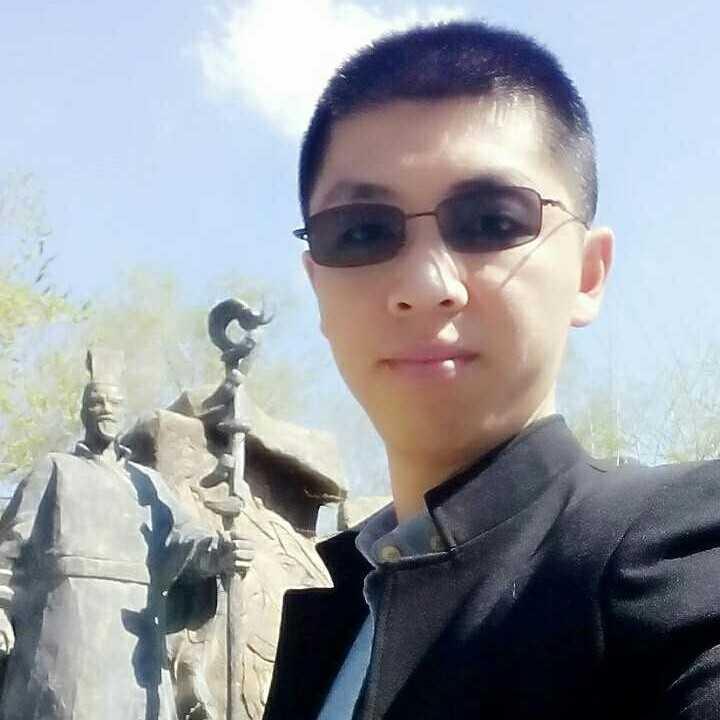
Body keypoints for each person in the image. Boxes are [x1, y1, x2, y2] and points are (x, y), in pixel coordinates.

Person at [263, 20, 720, 720]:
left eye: (491, 221)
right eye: (361, 231)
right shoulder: (341, 613)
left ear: (588, 274)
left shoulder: (666, 554)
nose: (426, 284)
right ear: (317, 288)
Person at [0, 349, 254, 720]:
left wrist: (219, 552)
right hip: (68, 629)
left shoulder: (147, 483)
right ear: (84, 411)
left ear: (123, 412)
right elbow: (9, 547)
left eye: (114, 403)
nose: (106, 409)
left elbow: (184, 540)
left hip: (136, 633)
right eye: (97, 402)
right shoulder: (54, 469)